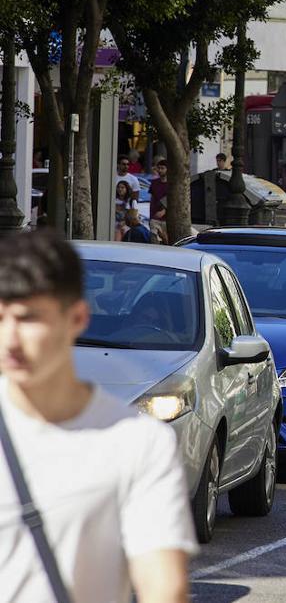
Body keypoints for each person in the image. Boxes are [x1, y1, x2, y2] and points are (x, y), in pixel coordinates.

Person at [0, 230, 196, 602]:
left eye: (28, 319)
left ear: (76, 318)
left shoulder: (137, 442)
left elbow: (164, 585)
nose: (10, 339)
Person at [149, 159, 169, 244]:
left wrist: (164, 211)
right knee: (153, 239)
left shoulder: (171, 183)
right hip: (155, 217)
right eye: (159, 168)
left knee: (166, 240)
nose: (160, 170)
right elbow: (152, 199)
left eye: (162, 168)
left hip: (167, 218)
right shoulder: (154, 183)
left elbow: (170, 199)